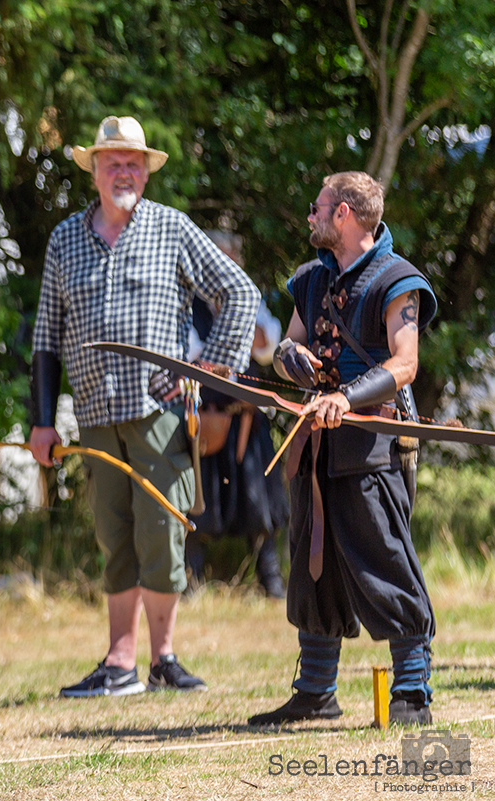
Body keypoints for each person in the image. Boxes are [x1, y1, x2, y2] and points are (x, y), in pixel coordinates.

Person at [29, 116, 259, 698]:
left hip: (159, 412)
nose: (124, 173)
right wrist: (41, 421)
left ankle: (164, 660)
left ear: (147, 172)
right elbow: (46, 338)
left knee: (161, 532)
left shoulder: (171, 228)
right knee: (114, 535)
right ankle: (119, 664)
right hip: (93, 414)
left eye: (133, 163)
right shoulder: (64, 239)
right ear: (94, 172)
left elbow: (240, 292)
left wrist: (211, 368)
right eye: (113, 163)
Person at [248, 171, 437, 726]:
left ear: (344, 214)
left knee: (384, 560)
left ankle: (412, 691)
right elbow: (289, 343)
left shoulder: (398, 280)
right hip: (316, 445)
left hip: (372, 445)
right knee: (313, 567)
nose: (311, 215)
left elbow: (405, 364)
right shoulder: (311, 278)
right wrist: (290, 359)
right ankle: (315, 691)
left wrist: (346, 397)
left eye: (318, 207)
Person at [186, 234, 288, 600]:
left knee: (260, 508)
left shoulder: (249, 298)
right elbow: (195, 356)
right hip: (208, 421)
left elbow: (266, 347)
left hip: (247, 421)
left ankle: (270, 582)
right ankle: (190, 582)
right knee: (199, 506)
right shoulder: (189, 303)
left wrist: (237, 318)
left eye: (231, 259)